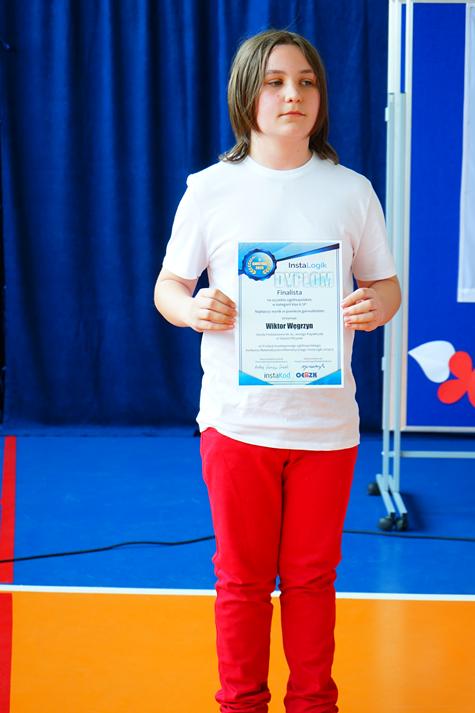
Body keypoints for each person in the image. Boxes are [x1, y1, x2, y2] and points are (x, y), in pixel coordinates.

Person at [154, 28, 401, 713]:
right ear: (246, 95)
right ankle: (241, 703)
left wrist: (373, 306)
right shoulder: (209, 190)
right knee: (240, 581)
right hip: (237, 425)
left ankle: (314, 702)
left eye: (306, 81)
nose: (293, 94)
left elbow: (385, 286)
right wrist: (192, 308)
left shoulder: (351, 190)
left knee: (312, 580)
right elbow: (169, 286)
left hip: (327, 426)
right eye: (275, 81)